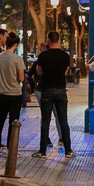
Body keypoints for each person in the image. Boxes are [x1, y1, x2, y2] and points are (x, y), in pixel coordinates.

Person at [32, 30, 74, 158]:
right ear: (59, 40)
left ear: (48, 40)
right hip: (61, 90)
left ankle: (43, 151)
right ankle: (68, 150)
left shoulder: (43, 56)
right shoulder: (65, 56)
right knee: (63, 121)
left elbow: (39, 72)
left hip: (47, 89)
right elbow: (66, 72)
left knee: (45, 121)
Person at [0, 32, 26, 155]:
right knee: (13, 122)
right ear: (15, 45)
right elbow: (21, 78)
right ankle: (10, 147)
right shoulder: (17, 59)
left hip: (1, 93)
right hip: (15, 94)